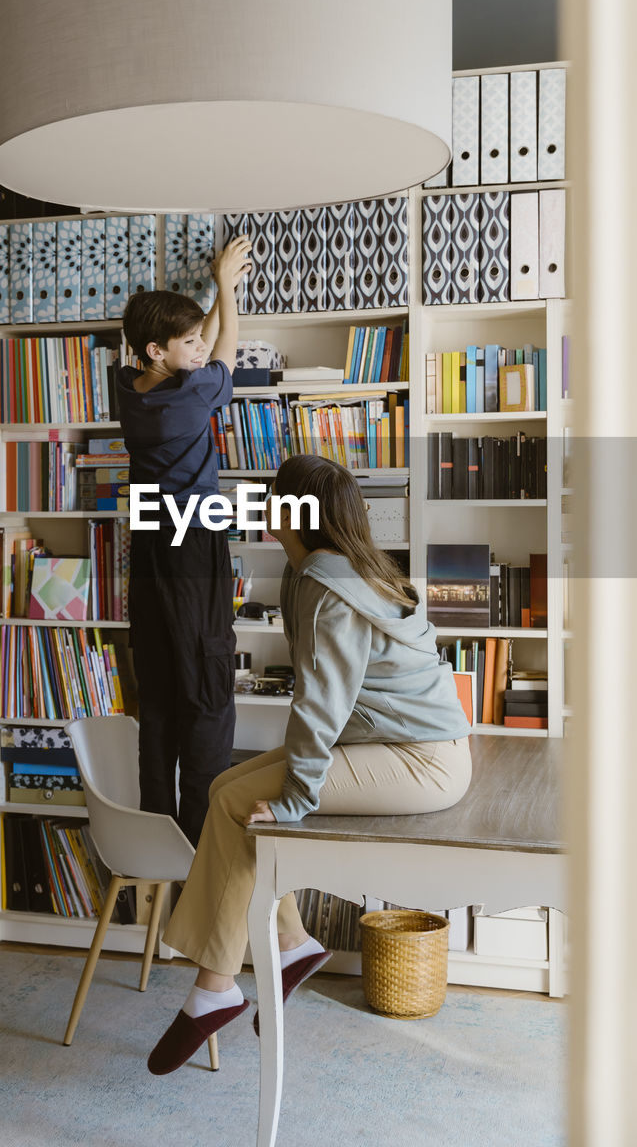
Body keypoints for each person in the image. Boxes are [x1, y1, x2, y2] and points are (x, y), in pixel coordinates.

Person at [147, 453, 472, 1075]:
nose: (266, 505)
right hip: (388, 743)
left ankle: (216, 986)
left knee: (244, 804)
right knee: (223, 788)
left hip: (419, 762)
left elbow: (319, 705)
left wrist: (296, 798)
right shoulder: (320, 571)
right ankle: (290, 946)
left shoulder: (326, 585)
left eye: (273, 496)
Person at [116, 235, 252, 847]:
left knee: (162, 696)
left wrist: (201, 312)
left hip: (149, 546)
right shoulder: (189, 398)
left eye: (197, 338)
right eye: (187, 342)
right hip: (192, 548)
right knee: (207, 691)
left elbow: (199, 351)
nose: (199, 349)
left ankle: (155, 849)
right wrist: (226, 286)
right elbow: (224, 354)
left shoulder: (132, 386)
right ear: (156, 349)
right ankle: (202, 851)